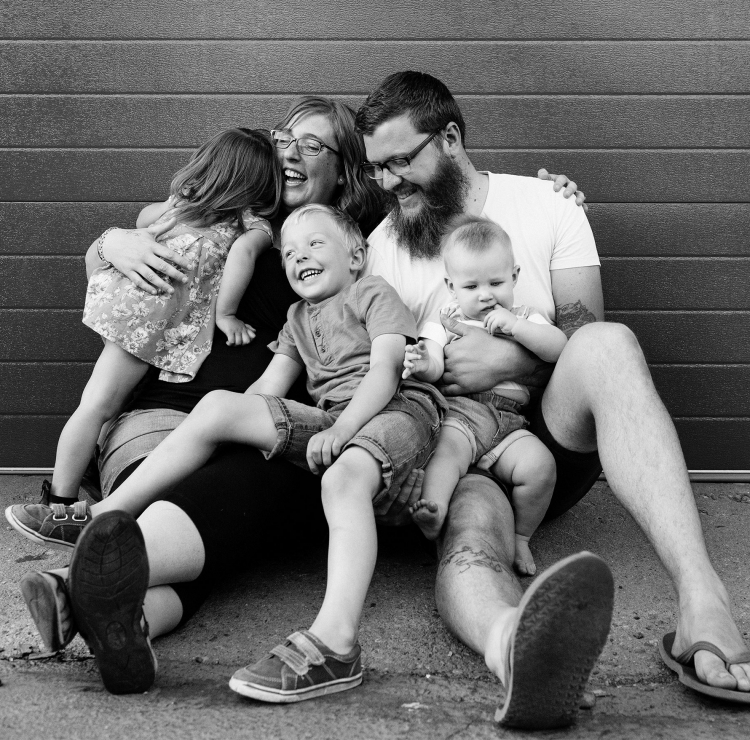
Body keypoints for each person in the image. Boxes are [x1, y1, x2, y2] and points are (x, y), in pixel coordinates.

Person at [13, 93, 585, 701]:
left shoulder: (362, 251)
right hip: (162, 423)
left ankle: (90, 595)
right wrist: (110, 241)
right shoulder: (233, 218)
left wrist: (552, 199)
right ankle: (99, 556)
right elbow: (132, 258)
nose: (290, 153)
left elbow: (407, 335)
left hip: (331, 428)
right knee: (221, 471)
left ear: (347, 175)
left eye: (313, 145)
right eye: (283, 139)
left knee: (245, 506)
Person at [355, 70, 750, 728]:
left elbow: (584, 328)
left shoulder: (546, 205)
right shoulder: (382, 248)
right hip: (453, 442)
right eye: (377, 168)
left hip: (545, 433)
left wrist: (508, 358)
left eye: (400, 161)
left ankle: (702, 601)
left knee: (610, 344)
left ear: (449, 138)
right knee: (472, 527)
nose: (388, 182)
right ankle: (516, 647)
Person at [62, 204, 445, 699]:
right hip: (333, 421)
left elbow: (386, 371)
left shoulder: (372, 292)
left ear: (355, 256)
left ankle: (337, 645)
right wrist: (231, 426)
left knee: (342, 478)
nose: (298, 257)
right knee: (219, 406)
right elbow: (267, 390)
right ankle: (103, 515)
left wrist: (347, 429)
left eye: (314, 244)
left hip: (398, 410)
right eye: (289, 252)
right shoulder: (296, 318)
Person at [5, 129, 280, 534]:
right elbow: (241, 254)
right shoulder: (249, 223)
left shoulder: (184, 204)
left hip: (124, 303)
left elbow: (142, 220)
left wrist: (172, 211)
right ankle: (59, 504)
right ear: (260, 182)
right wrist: (226, 315)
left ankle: (84, 475)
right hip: (147, 321)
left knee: (107, 403)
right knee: (97, 405)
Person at [403, 218, 566, 577]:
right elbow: (435, 363)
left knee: (540, 467)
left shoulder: (524, 317)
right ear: (451, 287)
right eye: (471, 286)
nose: (485, 295)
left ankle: (521, 536)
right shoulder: (444, 320)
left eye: (496, 283)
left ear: (515, 276)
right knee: (446, 456)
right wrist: (422, 363)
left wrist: (517, 328)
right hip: (461, 415)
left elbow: (558, 348)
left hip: (510, 424)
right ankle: (434, 510)